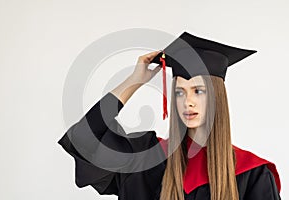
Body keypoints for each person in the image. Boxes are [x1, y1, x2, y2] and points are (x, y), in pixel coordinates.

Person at [58, 32, 281, 200]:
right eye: (179, 92)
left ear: (217, 98)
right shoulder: (145, 160)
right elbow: (84, 140)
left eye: (199, 91)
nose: (188, 101)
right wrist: (134, 81)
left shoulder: (253, 174)